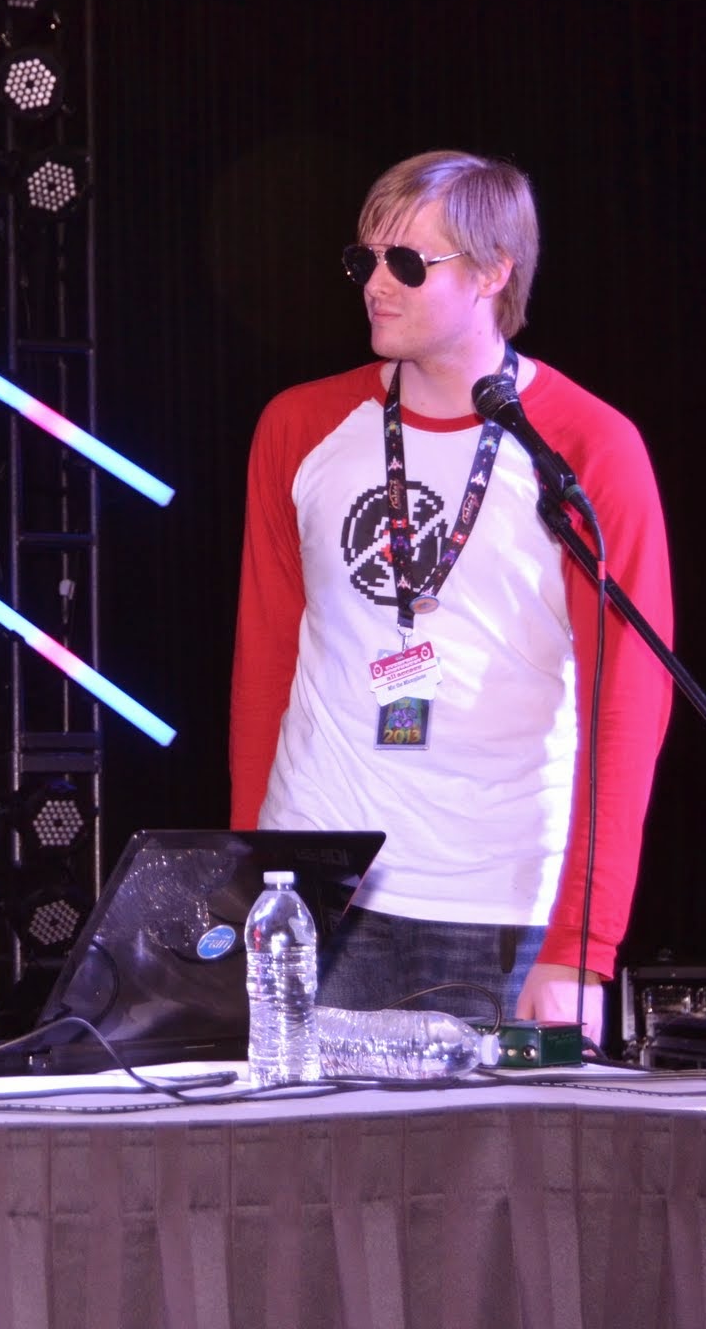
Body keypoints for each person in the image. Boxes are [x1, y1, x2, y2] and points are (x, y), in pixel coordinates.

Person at [229, 150, 674, 1043]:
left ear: (493, 272)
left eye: (406, 263)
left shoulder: (588, 446)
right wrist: (249, 879)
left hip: (500, 904)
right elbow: (264, 657)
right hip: (317, 890)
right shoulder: (299, 426)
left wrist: (583, 945)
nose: (374, 287)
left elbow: (630, 697)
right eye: (363, 260)